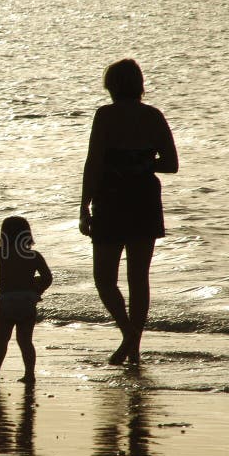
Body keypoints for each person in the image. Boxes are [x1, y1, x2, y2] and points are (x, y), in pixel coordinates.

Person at [79, 59, 179, 365]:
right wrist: (143, 164)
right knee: (139, 278)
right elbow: (170, 164)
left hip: (111, 199)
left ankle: (128, 335)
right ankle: (133, 343)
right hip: (144, 199)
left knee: (104, 278)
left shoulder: (105, 116)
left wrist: (83, 206)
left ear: (113, 86)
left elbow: (93, 162)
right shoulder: (153, 116)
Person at [0, 216, 52, 383]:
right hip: (27, 303)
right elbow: (48, 278)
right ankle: (29, 374)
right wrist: (37, 289)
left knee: (1, 340)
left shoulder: (1, 252)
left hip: (7, 304)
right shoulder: (34, 255)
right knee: (25, 341)